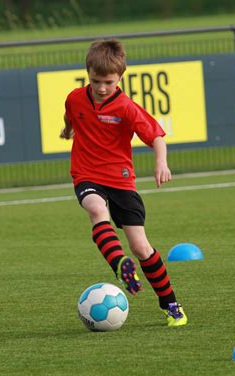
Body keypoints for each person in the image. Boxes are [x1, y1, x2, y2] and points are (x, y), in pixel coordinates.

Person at [60, 39, 187, 327]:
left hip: (121, 180)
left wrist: (161, 163)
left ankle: (170, 304)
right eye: (96, 81)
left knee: (141, 247)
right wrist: (67, 130)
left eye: (108, 82)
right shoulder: (75, 97)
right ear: (87, 73)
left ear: (120, 78)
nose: (102, 87)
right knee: (95, 209)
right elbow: (70, 116)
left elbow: (156, 136)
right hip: (86, 173)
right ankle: (120, 264)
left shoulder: (126, 108)